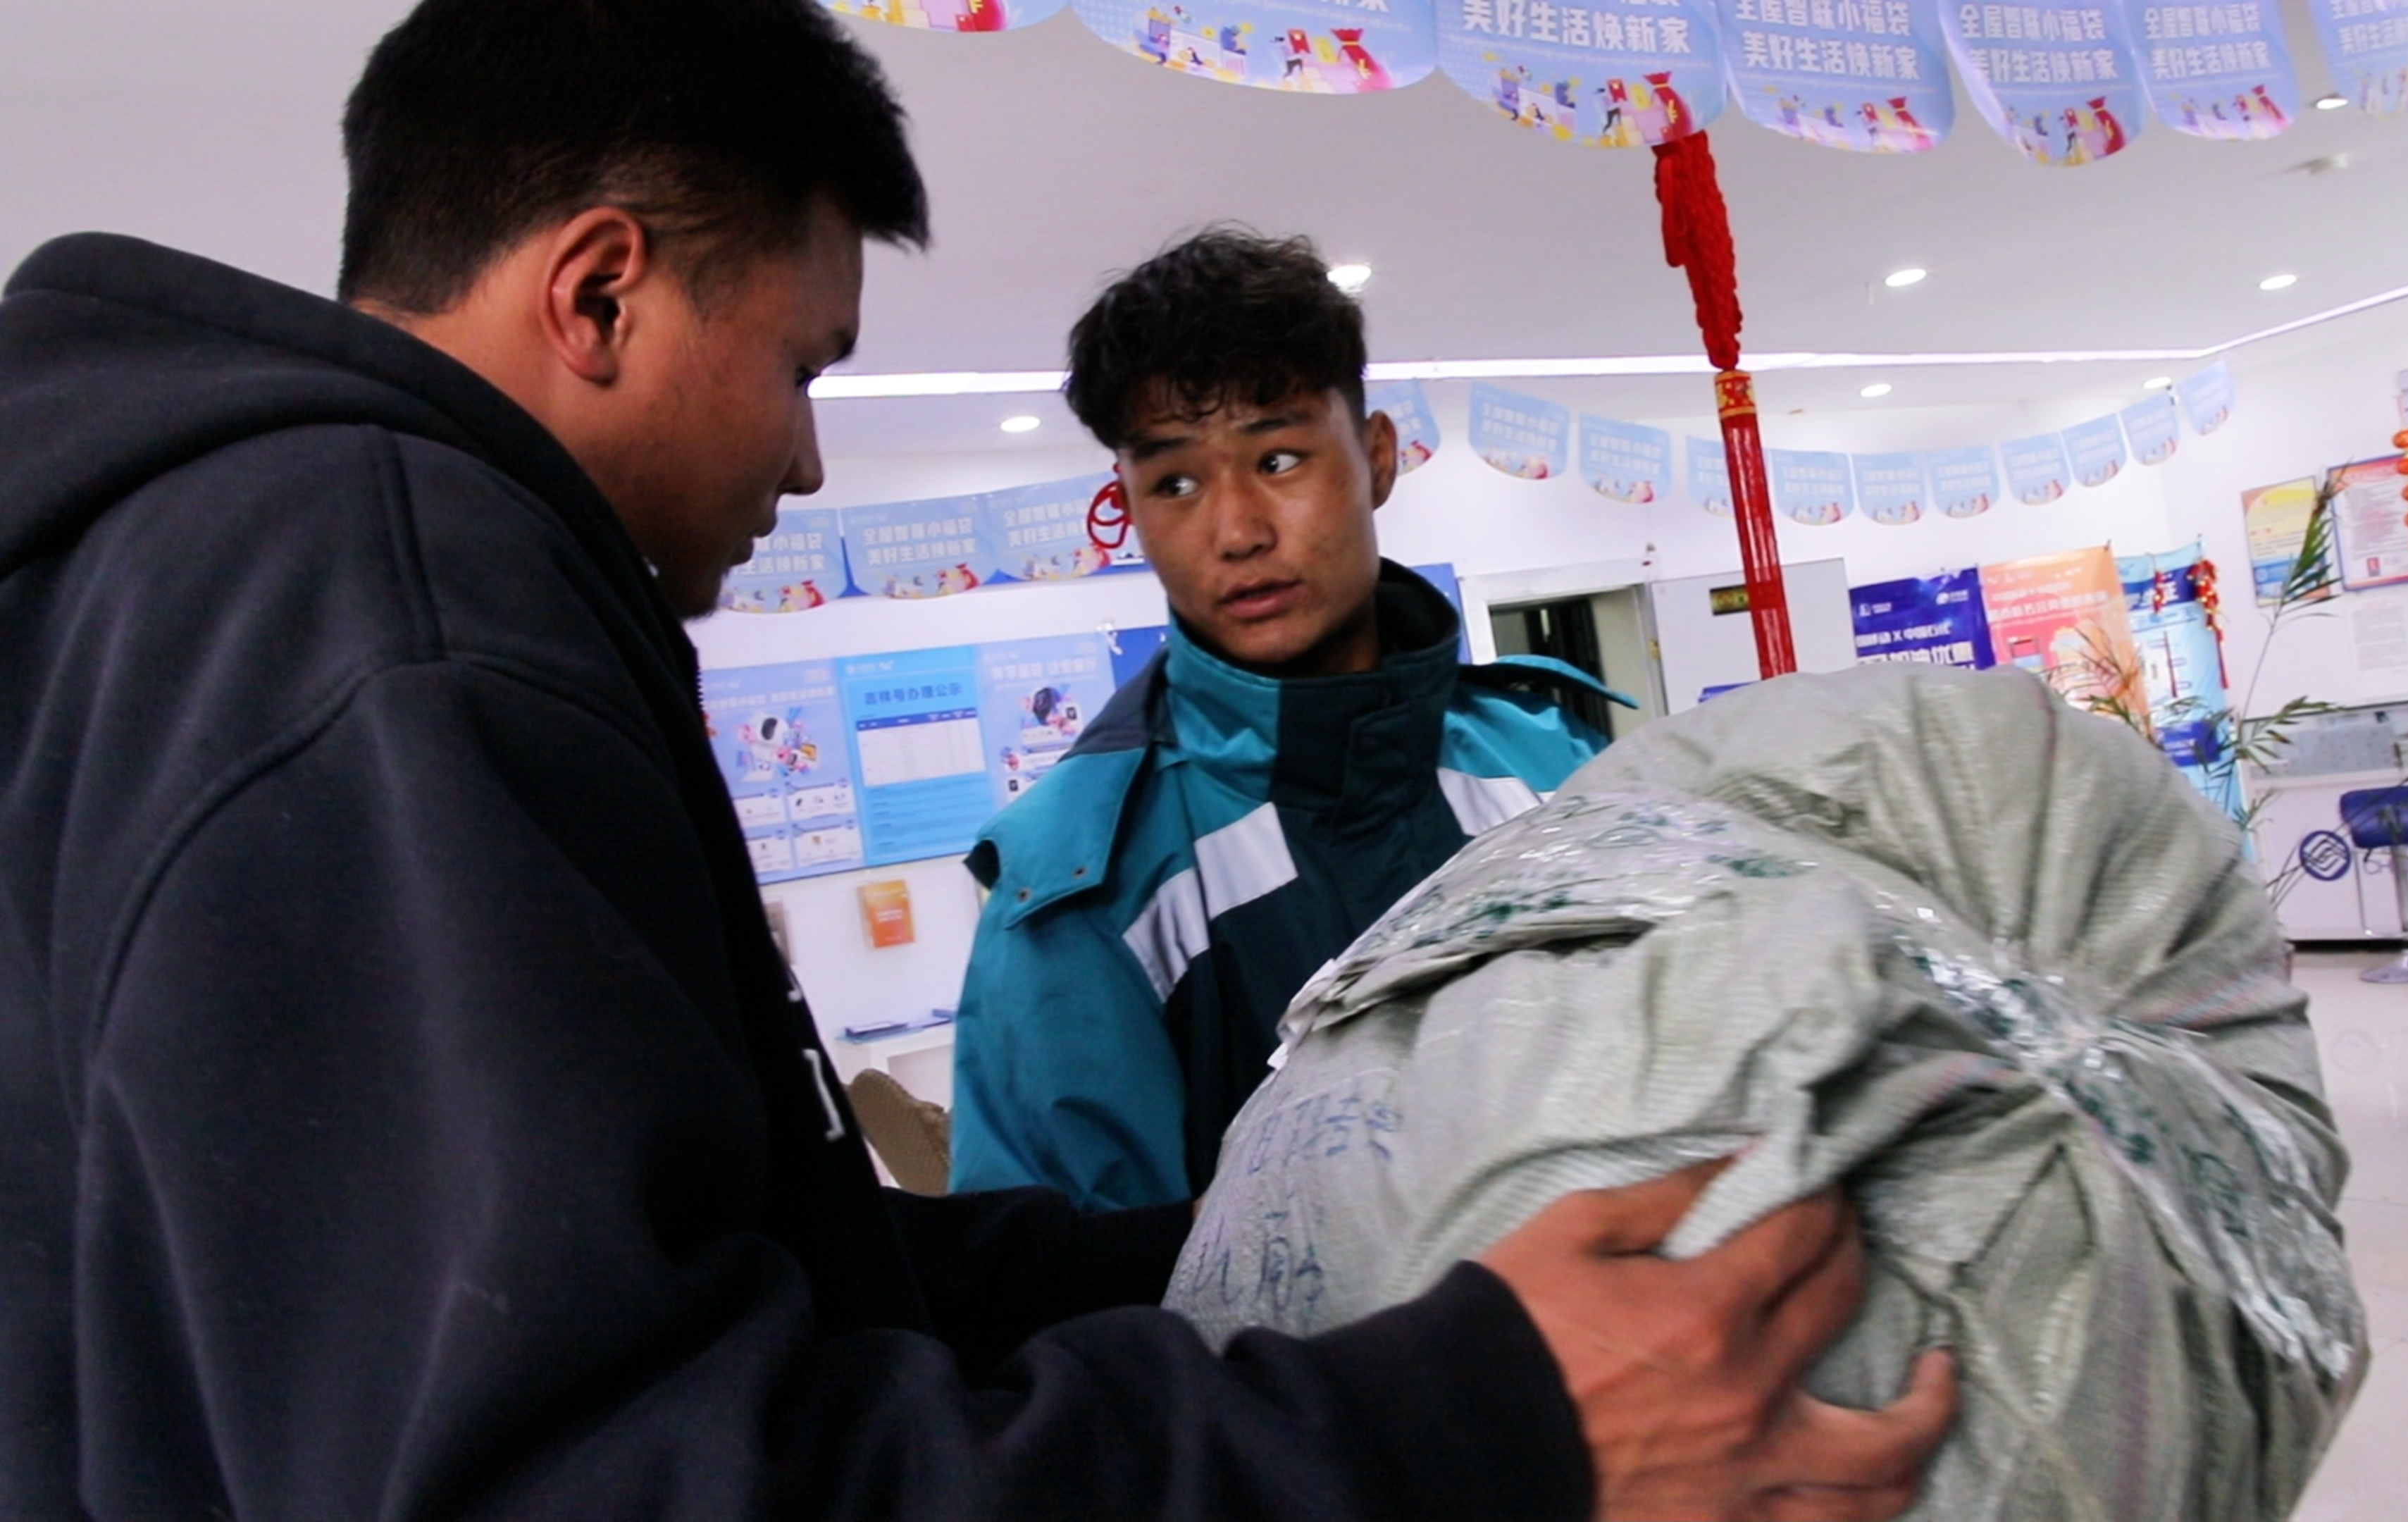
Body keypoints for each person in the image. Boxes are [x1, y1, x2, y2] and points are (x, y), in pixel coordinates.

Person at [0, 1, 1958, 1518]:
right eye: (802, 368)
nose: (805, 461)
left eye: (1285, 456)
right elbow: (623, 1473)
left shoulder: (278, 587)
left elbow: (767, 1280)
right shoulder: (393, 628)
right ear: (599, 292)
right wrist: (1472, 1421)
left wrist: (1323, 1229)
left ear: (1375, 458)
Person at [948, 230, 1625, 1209]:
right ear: (1128, 508)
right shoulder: (1082, 889)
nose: (1237, 532)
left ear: (1378, 458)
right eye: (1175, 482)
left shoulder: (1551, 763)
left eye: (1277, 458)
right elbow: (1073, 1285)